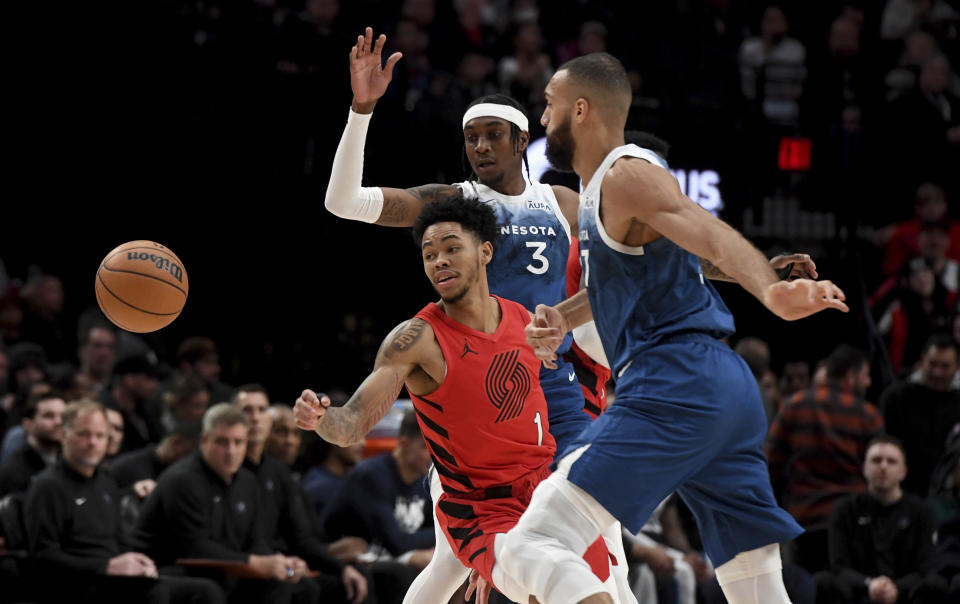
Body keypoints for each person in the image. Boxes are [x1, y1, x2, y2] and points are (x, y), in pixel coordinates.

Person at [503, 52, 849, 604]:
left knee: (525, 547)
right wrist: (560, 318)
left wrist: (769, 289)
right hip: (724, 390)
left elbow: (704, 230)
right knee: (754, 582)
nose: (542, 119)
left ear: (581, 109)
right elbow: (645, 273)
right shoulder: (600, 193)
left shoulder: (625, 173)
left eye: (549, 105)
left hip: (674, 381)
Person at [323, 26, 630, 604]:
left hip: (554, 393)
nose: (481, 148)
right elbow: (343, 202)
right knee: (453, 554)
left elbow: (648, 250)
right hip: (478, 388)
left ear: (521, 141)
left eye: (493, 136)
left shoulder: (561, 203)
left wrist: (761, 270)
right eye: (471, 139)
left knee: (598, 530)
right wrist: (361, 111)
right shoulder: (456, 204)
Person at [294, 196, 620, 603]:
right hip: (483, 510)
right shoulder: (416, 340)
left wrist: (497, 567)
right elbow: (352, 424)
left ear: (485, 251)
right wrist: (321, 418)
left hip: (543, 493)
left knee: (600, 587)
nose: (439, 261)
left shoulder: (521, 318)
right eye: (430, 255)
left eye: (451, 248)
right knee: (576, 588)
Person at [24, 400, 223, 604]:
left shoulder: (106, 483)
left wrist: (141, 562)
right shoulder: (47, 486)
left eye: (100, 436)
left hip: (113, 578)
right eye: (84, 434)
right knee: (152, 593)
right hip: (75, 583)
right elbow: (43, 557)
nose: (93, 442)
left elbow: (120, 540)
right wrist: (106, 566)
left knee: (206, 590)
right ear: (64, 435)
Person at [136, 403, 316, 604]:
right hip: (168, 566)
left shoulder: (247, 481)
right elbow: (195, 548)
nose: (231, 451)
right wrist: (255, 562)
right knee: (214, 589)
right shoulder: (183, 480)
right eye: (223, 442)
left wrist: (282, 563)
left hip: (226, 567)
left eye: (239, 442)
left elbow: (255, 541)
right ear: (204, 440)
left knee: (300, 585)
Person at [234, 385, 369, 604]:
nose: (255, 419)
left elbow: (301, 536)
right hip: (248, 565)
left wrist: (338, 565)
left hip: (284, 561)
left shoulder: (278, 472)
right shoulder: (231, 471)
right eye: (247, 410)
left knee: (355, 576)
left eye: (261, 410)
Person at [765, 344, 883, 574]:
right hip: (854, 521)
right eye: (866, 376)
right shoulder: (868, 415)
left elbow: (770, 466)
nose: (868, 383)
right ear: (851, 376)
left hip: (803, 519)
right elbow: (879, 473)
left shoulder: (793, 406)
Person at [815, 436, 948, 603]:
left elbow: (924, 566)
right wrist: (869, 585)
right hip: (860, 590)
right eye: (876, 460)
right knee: (824, 581)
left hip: (905, 593)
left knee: (935, 584)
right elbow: (839, 566)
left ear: (903, 471)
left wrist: (897, 588)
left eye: (891, 461)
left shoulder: (922, 512)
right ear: (864, 468)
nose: (883, 466)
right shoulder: (845, 509)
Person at [880, 333, 960, 496]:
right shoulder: (896, 398)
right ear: (922, 361)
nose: (937, 373)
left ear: (957, 367)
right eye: (932, 364)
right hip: (903, 489)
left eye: (945, 366)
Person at [0, 390, 64, 496]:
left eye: (63, 416)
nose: (58, 422)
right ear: (28, 425)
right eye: (49, 416)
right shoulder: (12, 471)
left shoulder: (69, 463)